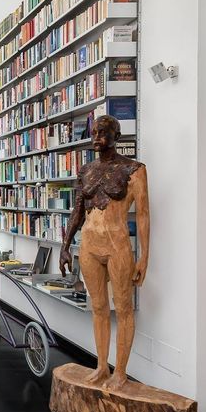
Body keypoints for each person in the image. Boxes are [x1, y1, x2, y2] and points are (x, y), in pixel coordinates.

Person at [59, 115, 150, 391]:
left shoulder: (134, 170)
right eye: (94, 132)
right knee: (98, 307)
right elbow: (77, 212)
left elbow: (143, 215)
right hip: (89, 245)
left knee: (123, 308)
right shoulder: (86, 170)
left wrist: (144, 257)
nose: (97, 137)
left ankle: (120, 372)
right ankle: (101, 366)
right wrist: (65, 246)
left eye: (103, 132)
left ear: (116, 137)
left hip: (117, 245)